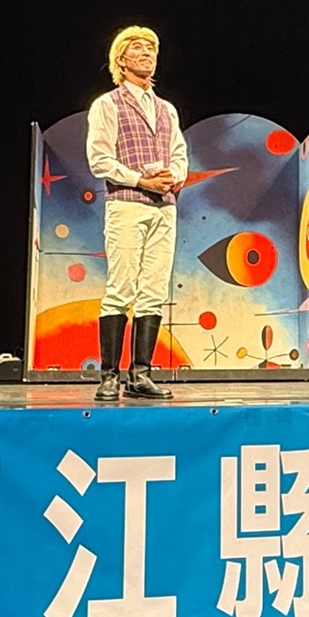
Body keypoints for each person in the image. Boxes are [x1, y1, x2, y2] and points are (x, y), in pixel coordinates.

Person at [86, 25, 187, 401]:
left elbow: (179, 153)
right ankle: (109, 375)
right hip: (127, 203)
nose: (147, 53)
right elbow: (99, 159)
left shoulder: (166, 109)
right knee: (121, 286)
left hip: (164, 207)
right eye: (138, 48)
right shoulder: (108, 104)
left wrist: (173, 177)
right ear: (122, 60)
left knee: (154, 289)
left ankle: (140, 373)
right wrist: (142, 180)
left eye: (151, 48)